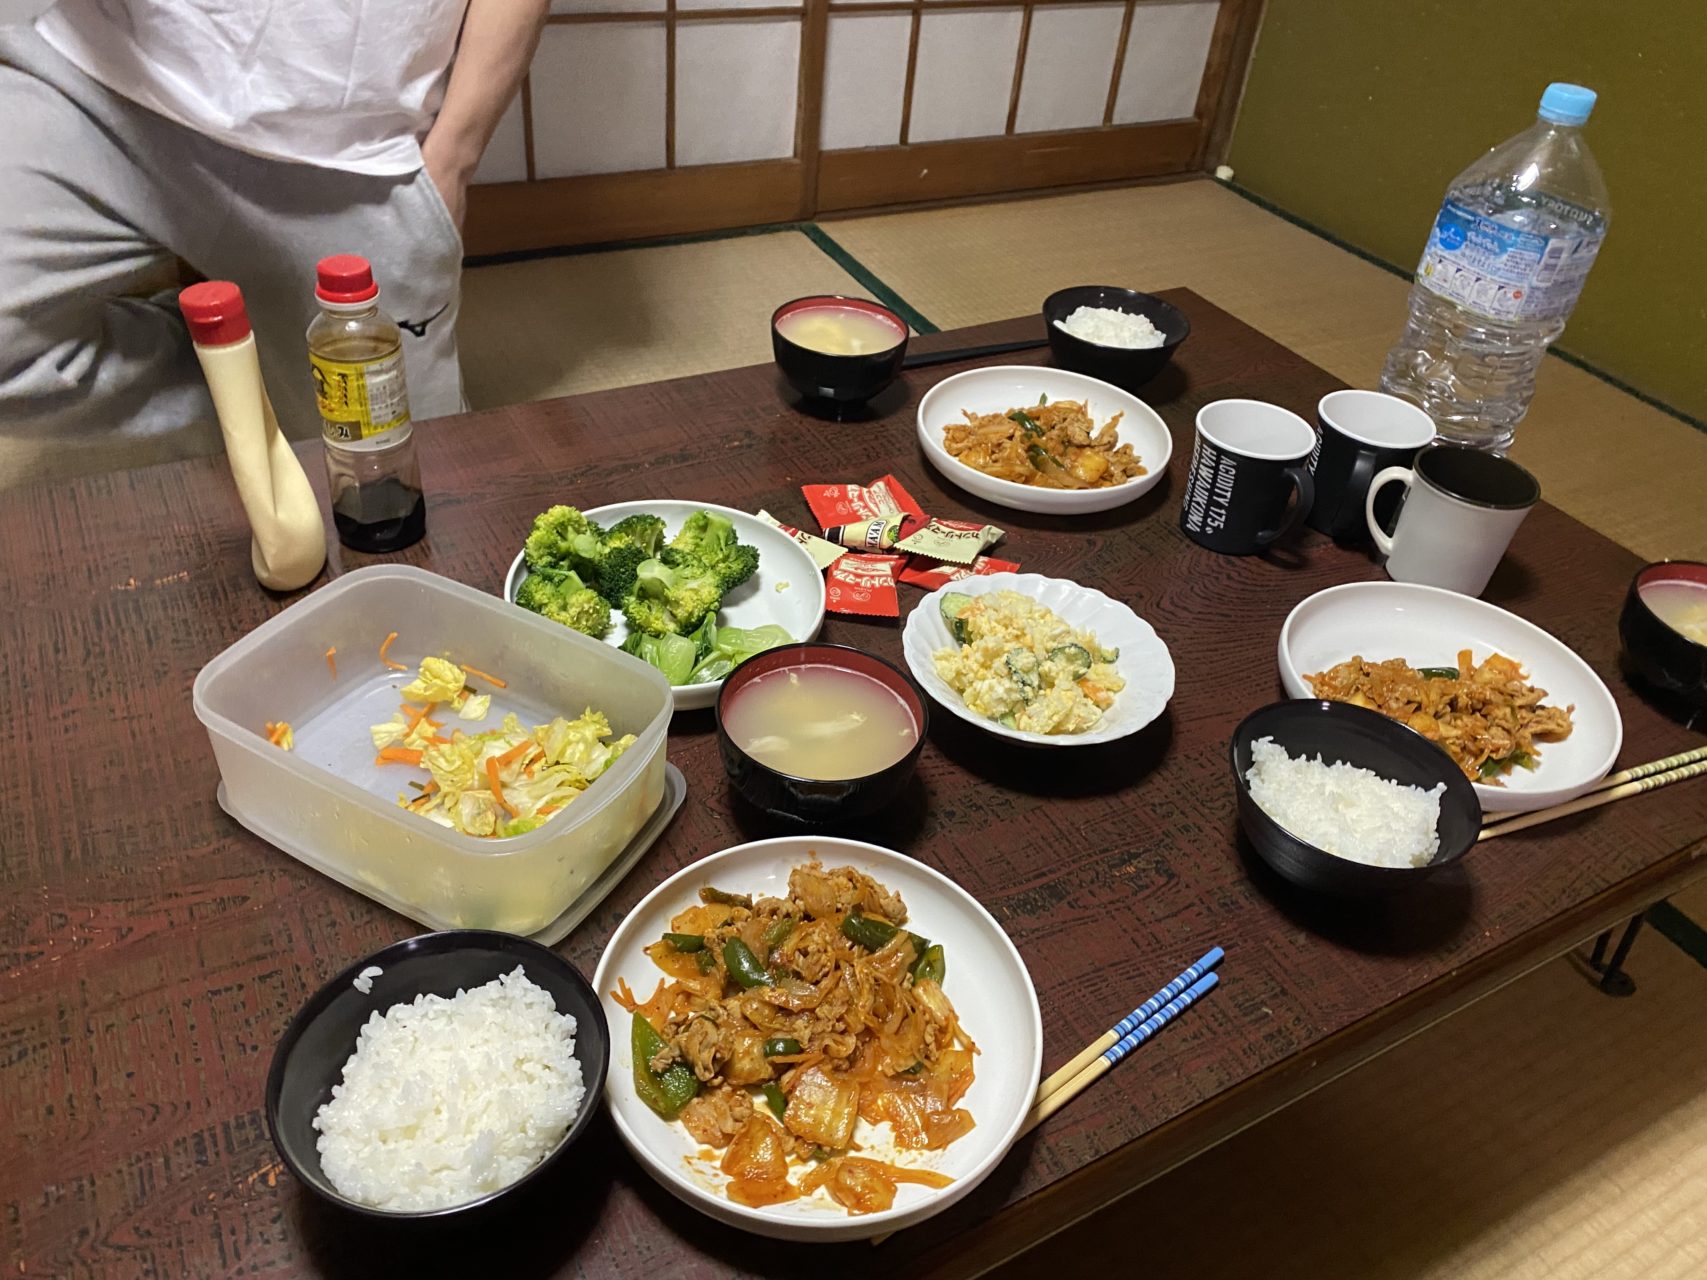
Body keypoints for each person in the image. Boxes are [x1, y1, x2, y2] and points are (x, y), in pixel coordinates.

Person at [0, 0, 547, 471]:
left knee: (392, 480)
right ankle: (245, 376)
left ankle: (273, 367)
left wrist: (453, 158)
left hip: (359, 150)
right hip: (104, 81)